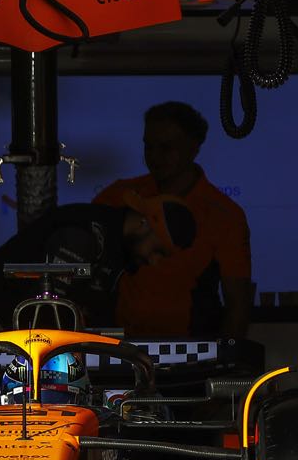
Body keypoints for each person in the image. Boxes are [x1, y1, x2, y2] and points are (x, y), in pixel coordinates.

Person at [94, 102, 252, 337]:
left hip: (190, 347)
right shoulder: (118, 196)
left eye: (166, 148)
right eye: (148, 147)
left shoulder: (225, 215)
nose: (155, 157)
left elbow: (237, 305)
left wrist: (226, 357)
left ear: (194, 148)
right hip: (120, 346)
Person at [0, 197, 197, 336]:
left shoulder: (115, 252)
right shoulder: (84, 234)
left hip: (13, 336)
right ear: (144, 223)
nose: (154, 261)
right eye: (158, 251)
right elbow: (48, 315)